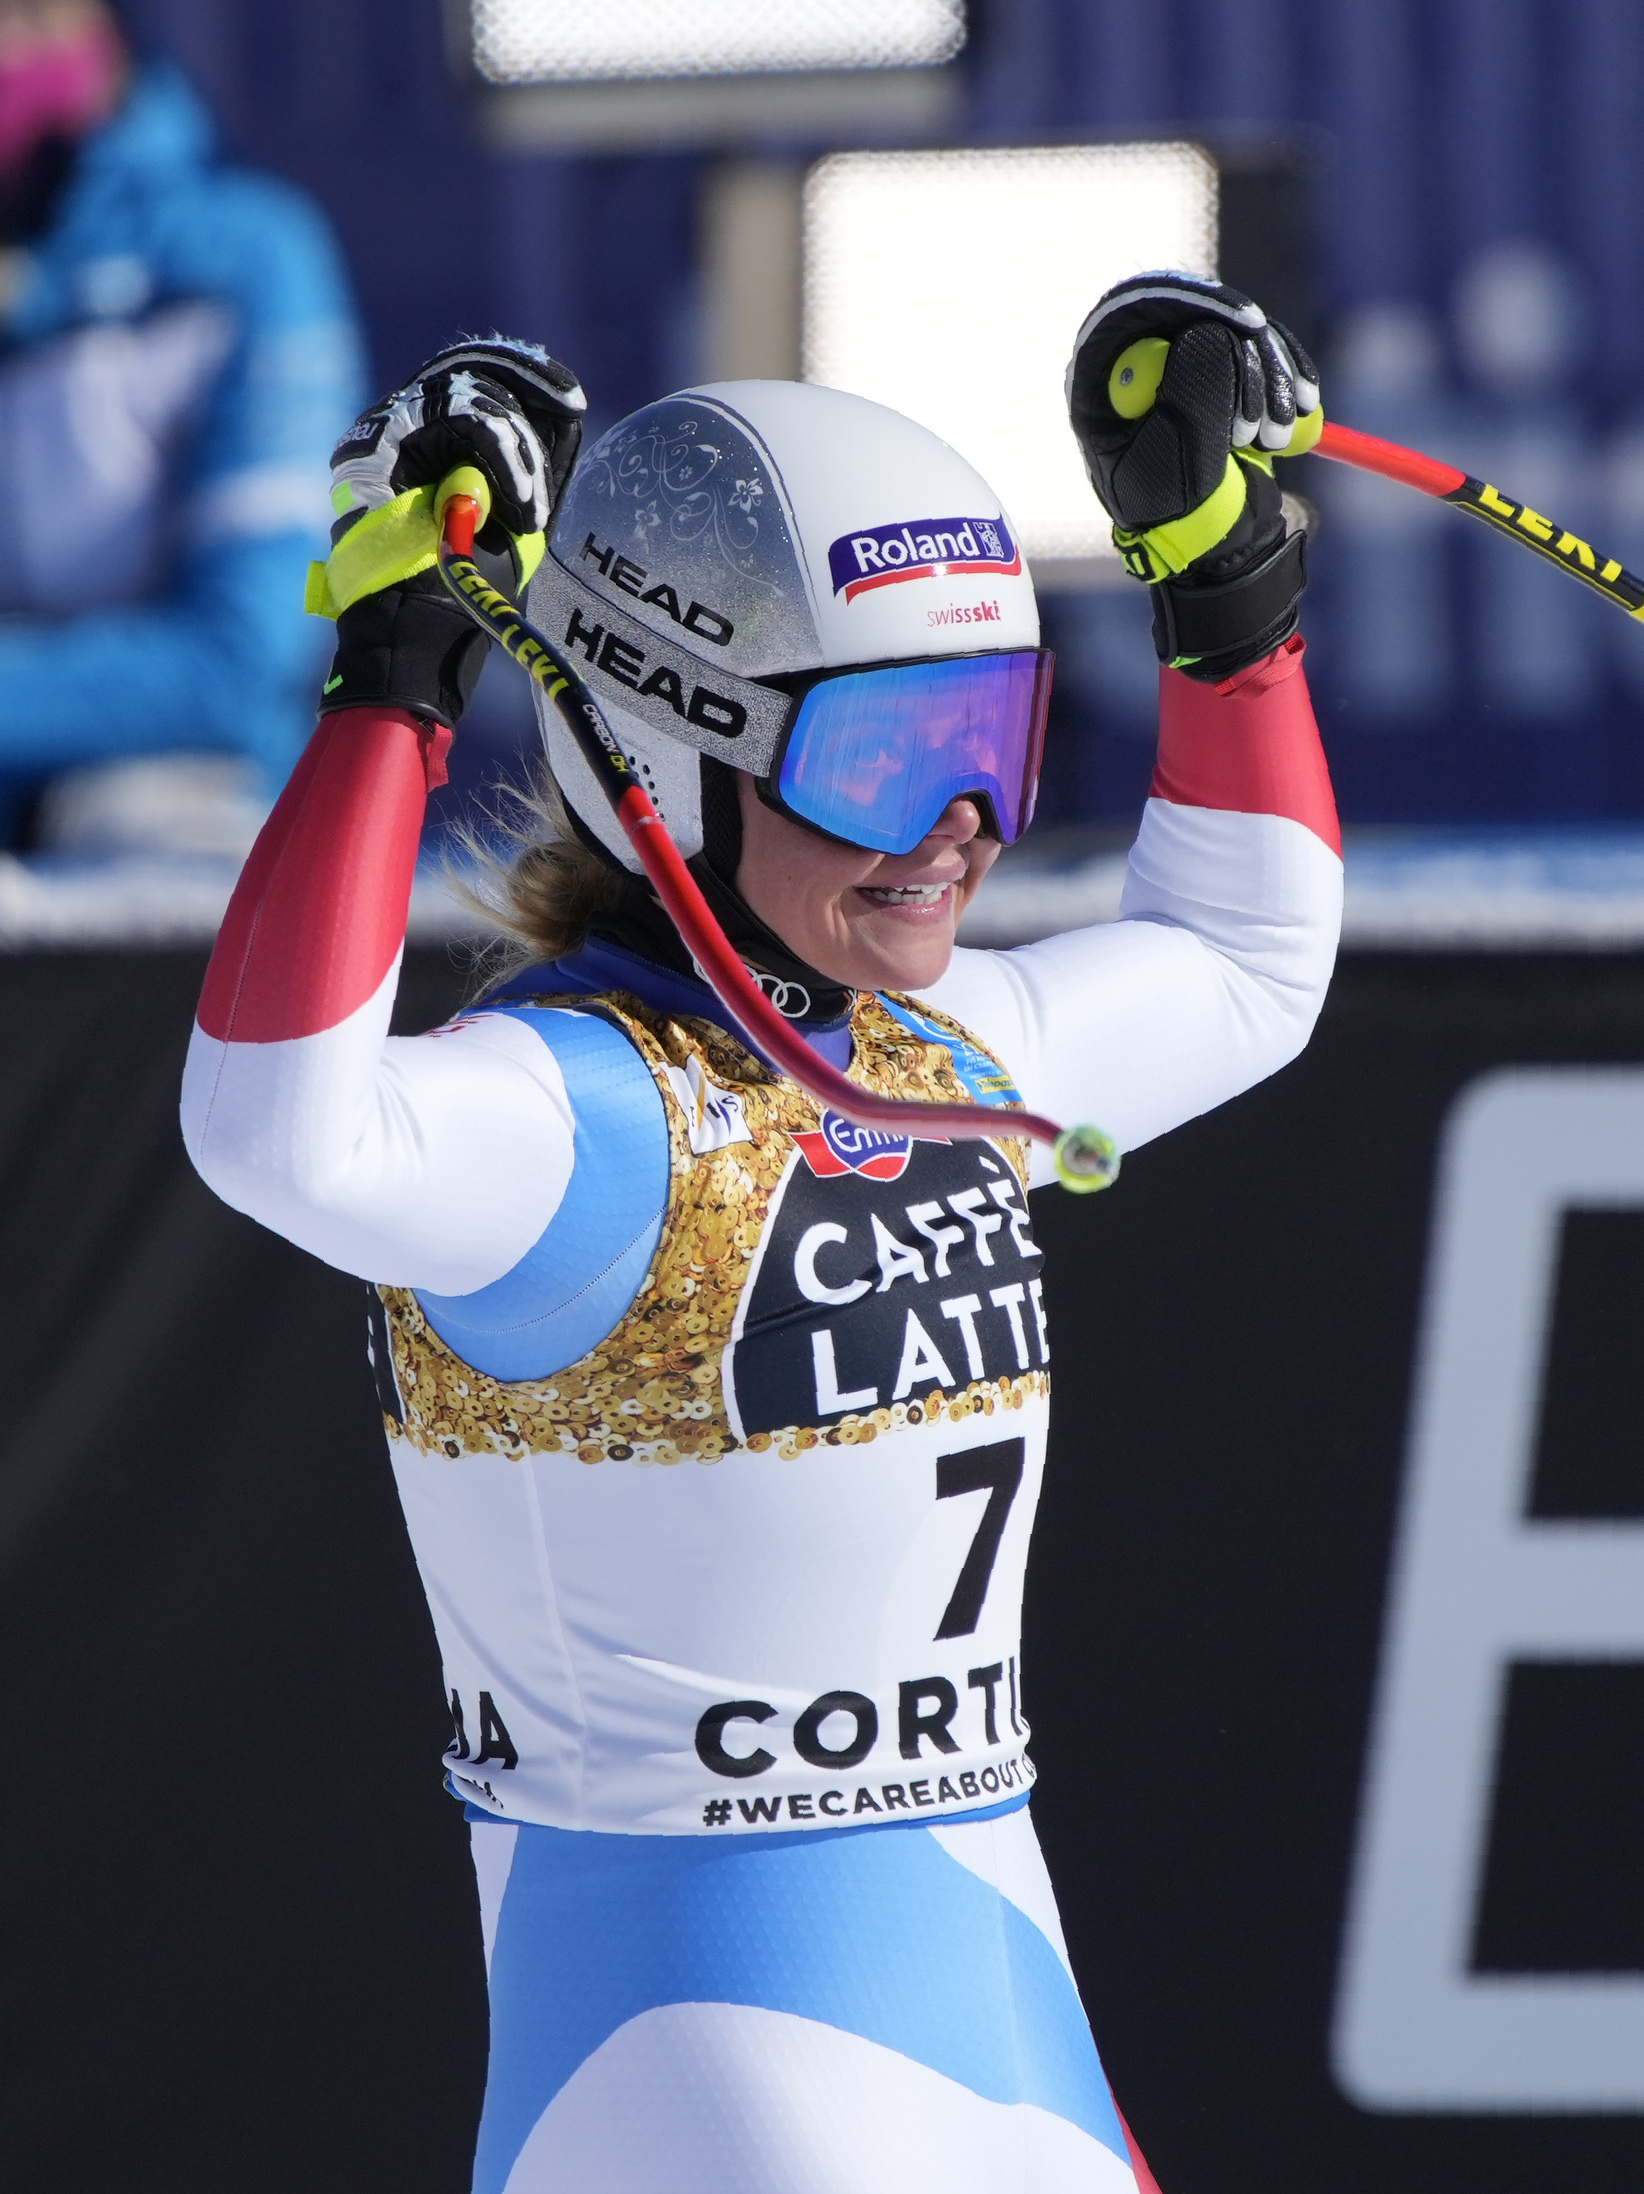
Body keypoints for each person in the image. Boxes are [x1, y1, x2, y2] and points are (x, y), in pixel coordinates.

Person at [179, 277, 1335, 2192]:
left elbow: (1246, 960)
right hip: (700, 2075)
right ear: (667, 750)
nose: (961, 822)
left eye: (999, 732)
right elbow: (273, 1124)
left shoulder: (945, 1054)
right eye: (888, 752)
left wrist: (1223, 576)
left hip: (1000, 2004)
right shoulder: (559, 1114)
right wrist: (392, 675)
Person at [0, 0, 359, 848]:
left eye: (32, 12)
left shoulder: (246, 254)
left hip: (165, 846)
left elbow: (245, 658)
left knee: (145, 820)